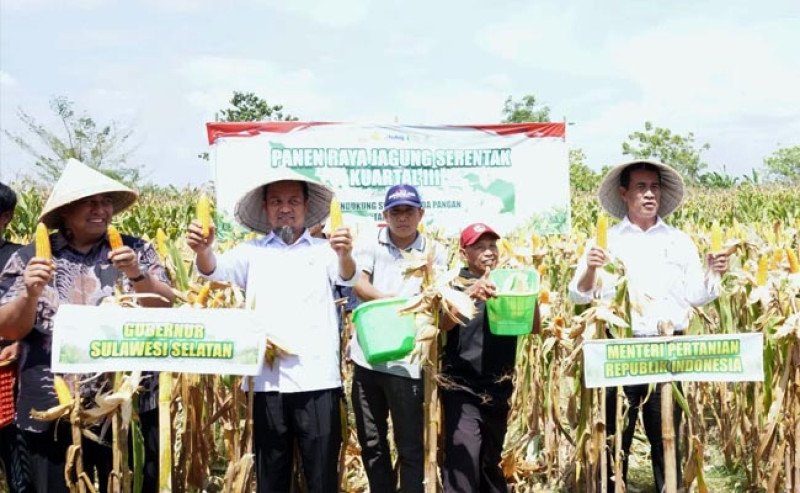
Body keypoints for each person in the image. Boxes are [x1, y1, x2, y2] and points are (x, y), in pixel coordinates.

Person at [0, 159, 175, 493]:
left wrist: (137, 274)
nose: (101, 210)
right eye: (89, 202)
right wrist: (30, 293)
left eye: (105, 202)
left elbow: (167, 306)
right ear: (65, 211)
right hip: (52, 404)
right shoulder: (28, 258)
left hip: (126, 402)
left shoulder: (136, 250)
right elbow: (9, 330)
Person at [186, 171, 356, 493]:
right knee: (271, 479)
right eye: (276, 201)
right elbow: (213, 272)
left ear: (306, 206)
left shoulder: (325, 251)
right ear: (265, 208)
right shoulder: (251, 252)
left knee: (321, 479)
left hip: (317, 380)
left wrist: (345, 254)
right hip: (267, 383)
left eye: (293, 201)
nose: (285, 208)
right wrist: (203, 250)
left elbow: (346, 276)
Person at [568, 160, 729, 491]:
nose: (649, 194)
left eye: (654, 187)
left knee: (666, 434)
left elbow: (695, 296)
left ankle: (669, 487)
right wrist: (591, 269)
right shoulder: (605, 242)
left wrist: (715, 272)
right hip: (619, 348)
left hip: (666, 347)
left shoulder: (679, 240)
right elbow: (578, 294)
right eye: (641, 187)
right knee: (615, 435)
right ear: (624, 193)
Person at [350, 184, 447, 493]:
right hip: (367, 358)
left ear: (421, 214)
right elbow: (359, 284)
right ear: (385, 215)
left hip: (408, 362)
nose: (402, 218)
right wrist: (391, 303)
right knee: (372, 441)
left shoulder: (433, 252)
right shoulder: (370, 244)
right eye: (395, 212)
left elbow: (438, 295)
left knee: (410, 444)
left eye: (408, 211)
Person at [439, 223, 539, 492]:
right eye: (479, 247)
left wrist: (530, 293)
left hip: (498, 383)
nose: (488, 252)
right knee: (464, 456)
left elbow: (534, 327)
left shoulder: (508, 282)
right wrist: (470, 294)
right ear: (464, 253)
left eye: (492, 246)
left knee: (489, 459)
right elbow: (442, 325)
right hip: (461, 385)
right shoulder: (453, 284)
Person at [0, 182, 28, 492]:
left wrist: (21, 342)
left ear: (5, 217)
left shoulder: (19, 259)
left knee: (18, 466)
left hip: (8, 380)